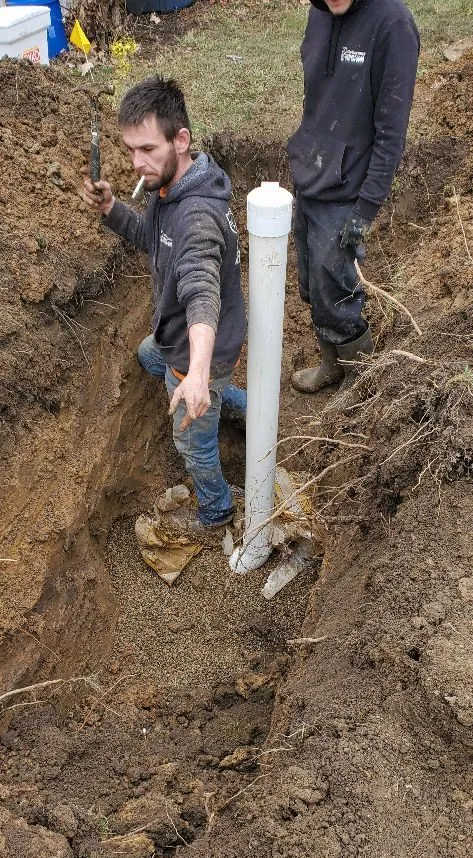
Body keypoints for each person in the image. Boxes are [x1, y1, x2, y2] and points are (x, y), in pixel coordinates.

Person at [83, 75, 247, 535]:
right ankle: (237, 403)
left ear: (181, 140)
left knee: (191, 443)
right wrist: (114, 210)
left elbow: (200, 289)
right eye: (130, 150)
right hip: (172, 337)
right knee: (145, 356)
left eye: (148, 149)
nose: (137, 163)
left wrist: (196, 373)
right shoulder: (168, 186)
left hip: (201, 352)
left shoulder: (196, 216)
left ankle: (217, 509)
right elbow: (156, 243)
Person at [287, 0, 420, 410]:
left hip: (348, 191)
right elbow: (319, 101)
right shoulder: (319, 13)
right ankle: (332, 364)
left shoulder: (392, 25)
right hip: (313, 175)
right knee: (311, 283)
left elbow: (391, 133)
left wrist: (364, 210)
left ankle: (359, 384)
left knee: (336, 290)